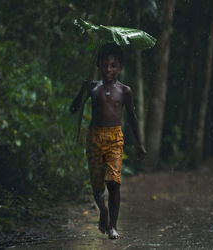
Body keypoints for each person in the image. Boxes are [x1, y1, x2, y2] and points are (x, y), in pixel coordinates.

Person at [70, 43, 146, 239]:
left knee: (114, 183)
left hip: (115, 139)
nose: (108, 70)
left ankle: (113, 225)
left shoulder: (125, 91)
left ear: (120, 66)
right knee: (97, 188)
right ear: (98, 65)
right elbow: (73, 109)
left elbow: (132, 117)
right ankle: (103, 211)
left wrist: (139, 144)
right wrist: (82, 90)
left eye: (112, 65)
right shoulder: (93, 88)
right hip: (94, 138)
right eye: (104, 65)